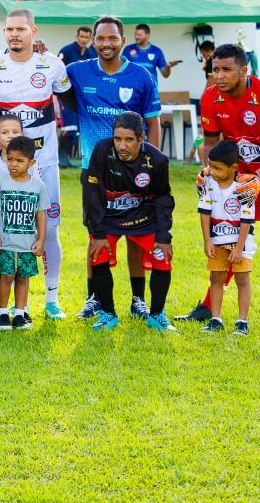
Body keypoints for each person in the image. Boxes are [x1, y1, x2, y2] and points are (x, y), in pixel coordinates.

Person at [62, 16, 162, 320]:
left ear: (123, 41)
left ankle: (138, 300)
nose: (106, 44)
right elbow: (53, 83)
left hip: (135, 170)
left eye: (112, 38)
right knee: (97, 235)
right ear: (92, 40)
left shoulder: (141, 75)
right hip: (94, 169)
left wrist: (152, 163)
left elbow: (153, 122)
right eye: (100, 38)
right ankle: (95, 299)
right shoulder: (77, 72)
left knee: (135, 234)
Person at [178, 43, 260, 323]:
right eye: (215, 70)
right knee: (227, 234)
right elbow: (212, 143)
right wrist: (208, 172)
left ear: (244, 70)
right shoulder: (211, 98)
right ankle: (206, 307)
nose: (219, 76)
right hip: (242, 178)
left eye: (227, 70)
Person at [0, 8, 71, 319]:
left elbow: (68, 101)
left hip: (45, 161)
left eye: (20, 29)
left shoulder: (53, 65)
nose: (14, 34)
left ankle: (52, 299)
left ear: (34, 31)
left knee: (50, 230)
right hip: (3, 165)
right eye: (9, 29)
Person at [81, 112, 176, 333]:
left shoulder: (157, 160)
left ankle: (157, 315)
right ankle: (108, 314)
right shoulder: (102, 151)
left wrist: (163, 237)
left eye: (129, 140)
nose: (122, 145)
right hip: (108, 219)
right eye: (117, 139)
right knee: (99, 255)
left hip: (144, 219)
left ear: (142, 138)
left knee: (163, 259)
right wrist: (98, 233)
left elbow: (164, 200)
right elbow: (92, 193)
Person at [0, 135, 47, 330]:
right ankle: (3, 313)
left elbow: (41, 215)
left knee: (22, 277)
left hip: (27, 244)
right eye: (10, 159)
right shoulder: (0, 183)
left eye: (19, 161)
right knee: (5, 276)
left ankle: (20, 313)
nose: (13, 164)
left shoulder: (38, 186)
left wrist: (41, 239)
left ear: (32, 162)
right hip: (5, 242)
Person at [198, 139, 255, 335]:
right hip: (217, 240)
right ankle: (216, 319)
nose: (212, 171)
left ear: (233, 168)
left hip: (241, 240)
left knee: (242, 279)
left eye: (217, 168)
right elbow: (204, 212)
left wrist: (239, 248)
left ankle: (242, 322)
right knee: (216, 277)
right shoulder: (206, 181)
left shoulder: (245, 186)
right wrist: (207, 241)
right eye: (210, 166)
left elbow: (247, 220)